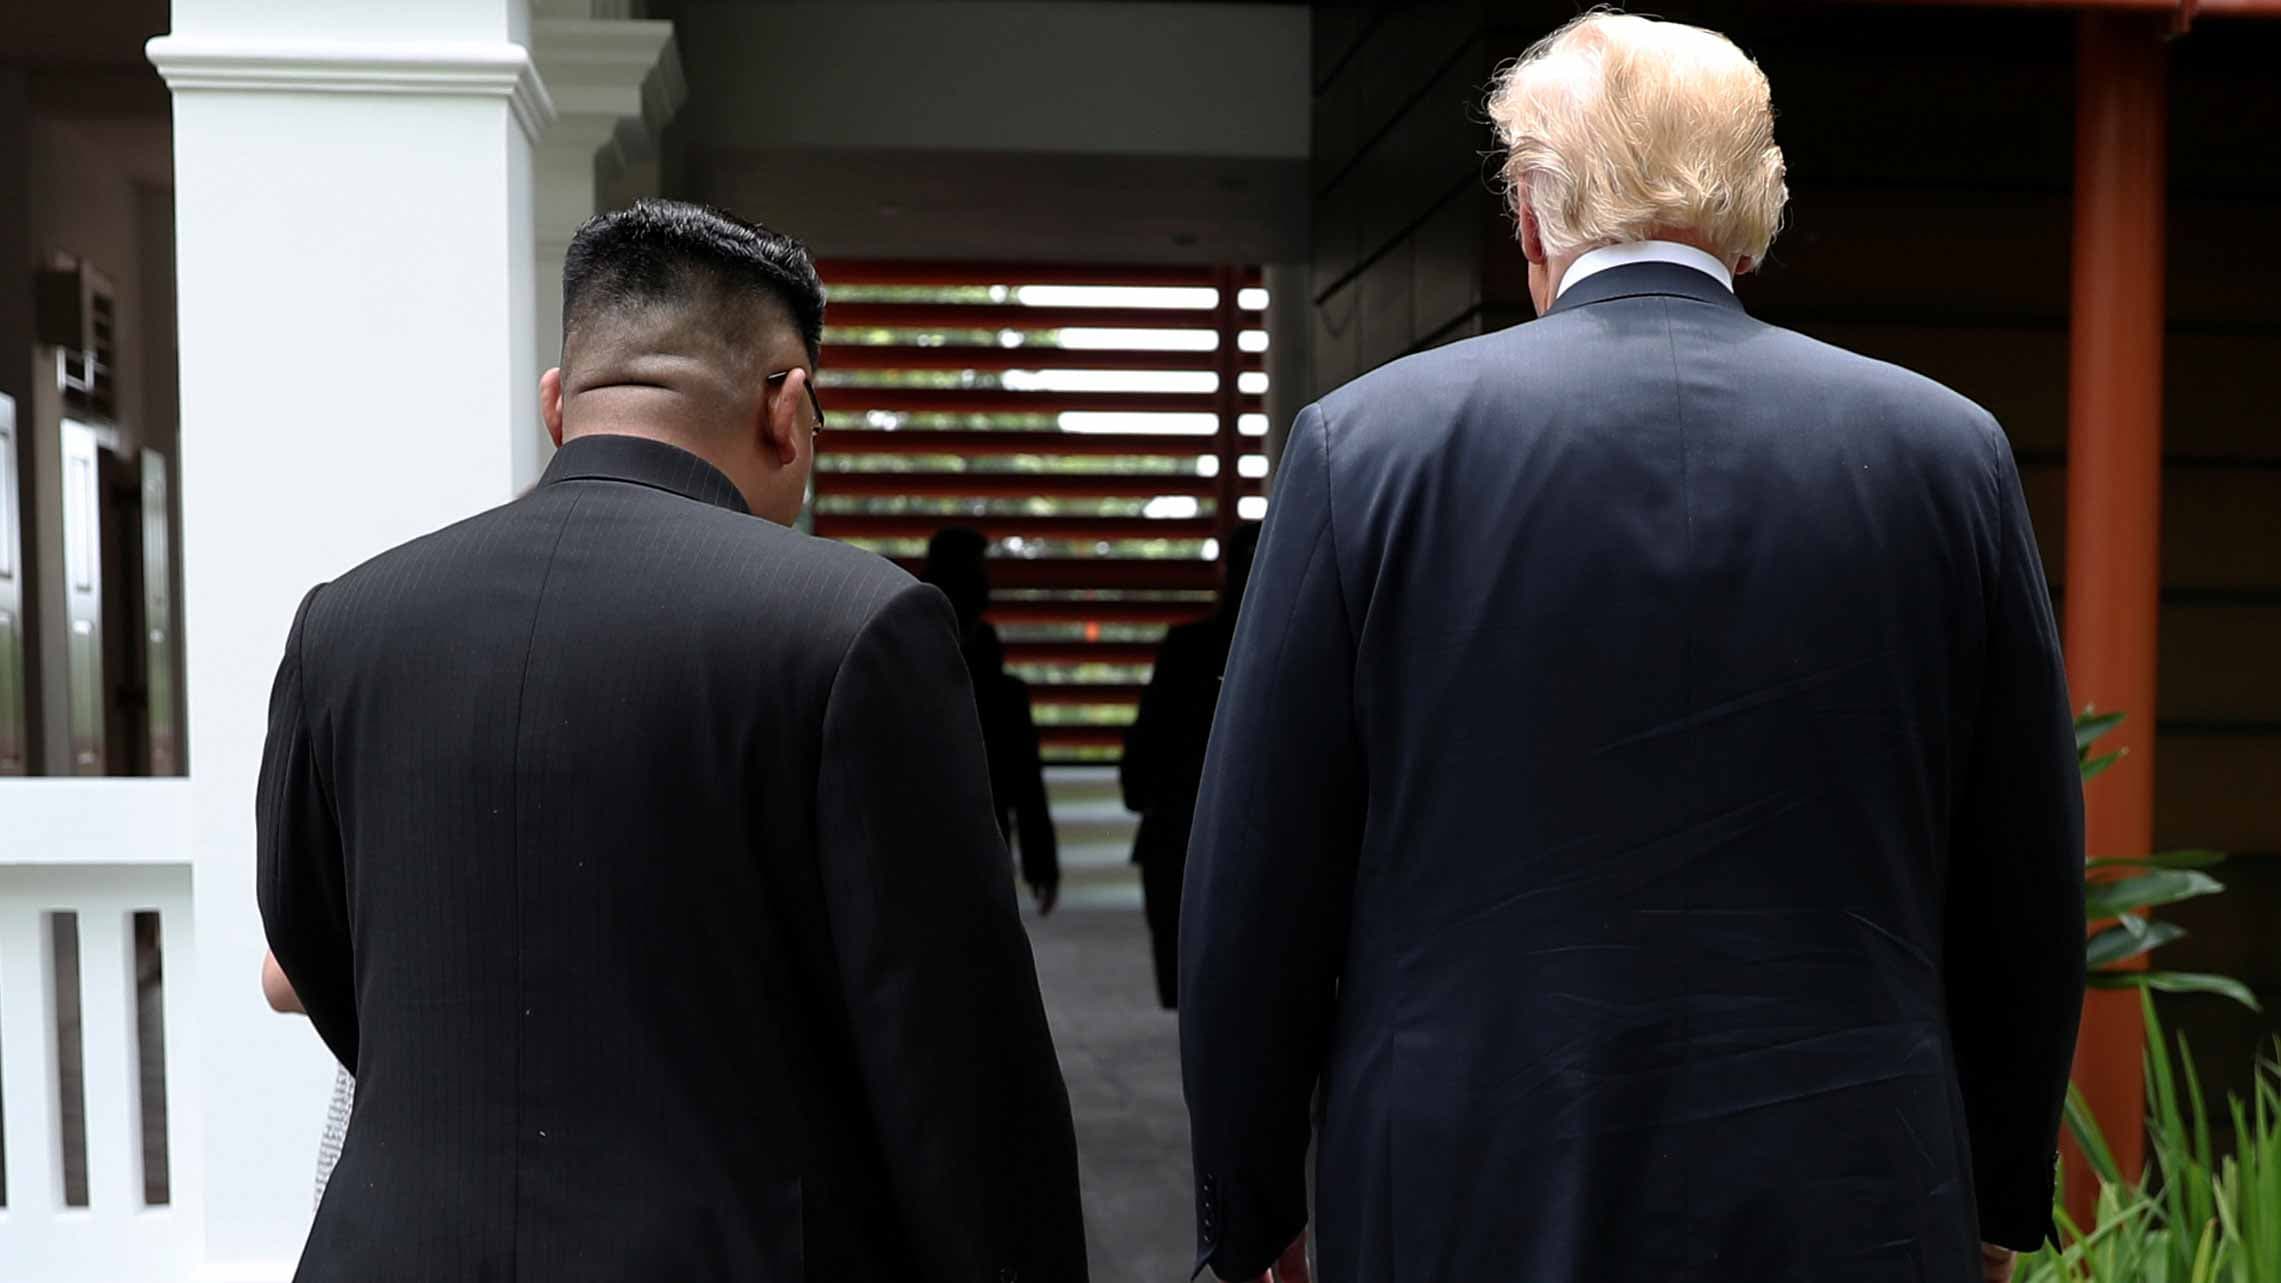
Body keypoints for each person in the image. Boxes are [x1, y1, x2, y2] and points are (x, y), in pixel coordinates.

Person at [1177, 14, 2085, 1283]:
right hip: (1856, 1191)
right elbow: (2024, 889)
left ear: (1531, 215)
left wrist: (1255, 1200)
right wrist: (1995, 1198)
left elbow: (1260, 884)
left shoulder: (1362, 451)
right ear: (1751, 212)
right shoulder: (1946, 457)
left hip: (1458, 1190)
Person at [257, 200, 1086, 1282]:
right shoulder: (854, 626)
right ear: (787, 406)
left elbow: (314, 943)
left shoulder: (349, 620)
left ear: (559, 404)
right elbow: (960, 1079)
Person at [1120, 522, 1259, 1009]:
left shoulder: (1186, 648)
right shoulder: (1287, 648)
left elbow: (1148, 736)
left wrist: (1142, 795)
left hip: (1177, 832)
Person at [920, 527, 1060, 913]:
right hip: (975, 855)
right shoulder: (1002, 693)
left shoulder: (903, 673)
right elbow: (1026, 784)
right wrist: (1041, 863)